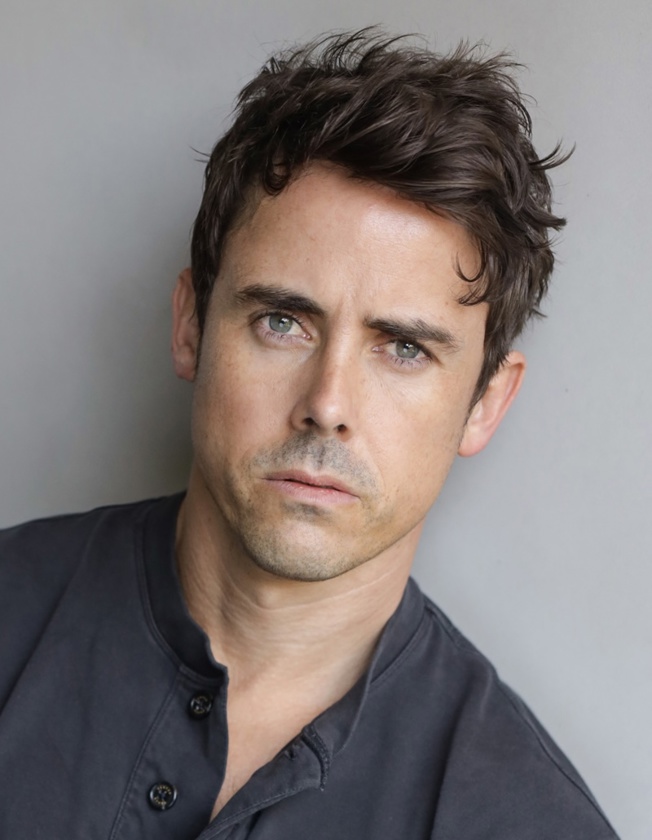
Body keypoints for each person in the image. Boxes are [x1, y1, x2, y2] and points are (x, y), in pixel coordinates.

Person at [0, 29, 618, 840]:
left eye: (404, 348)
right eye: (282, 322)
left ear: (485, 403)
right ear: (190, 326)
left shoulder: (529, 822)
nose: (327, 404)